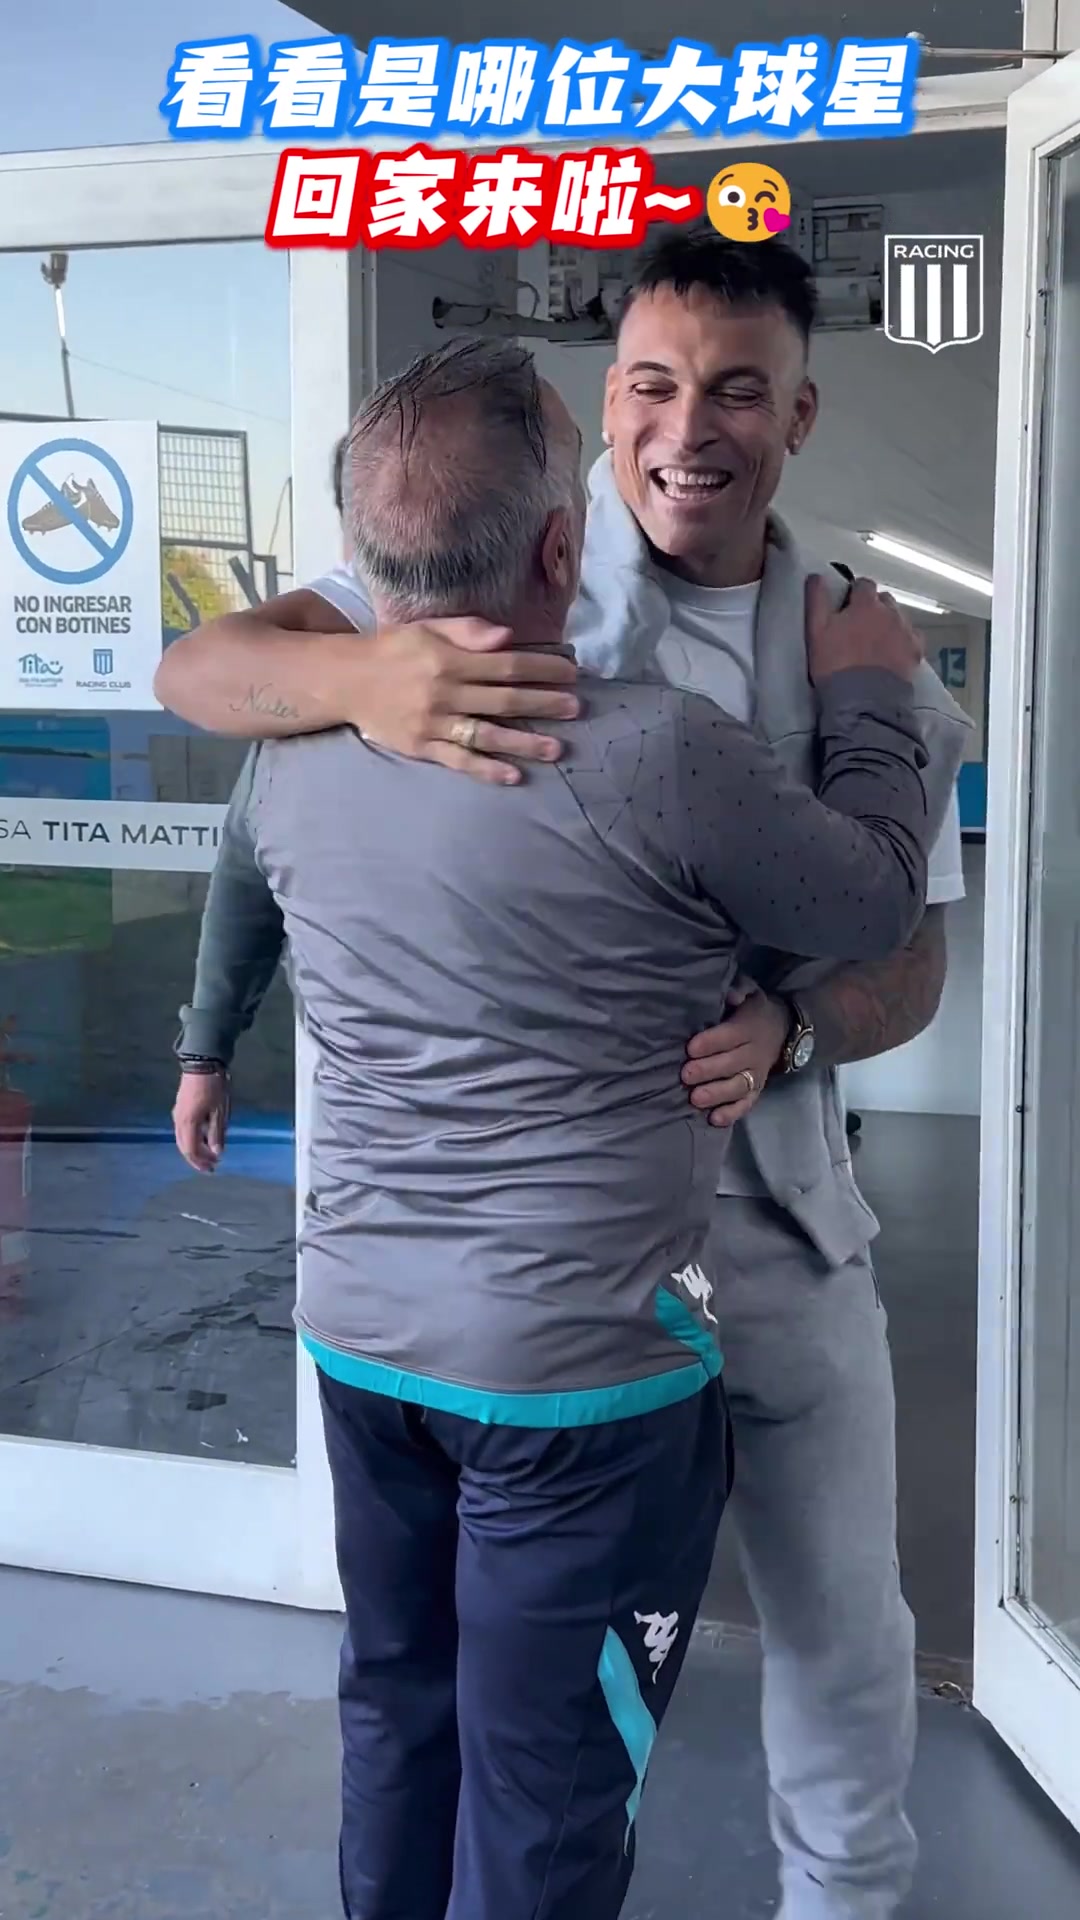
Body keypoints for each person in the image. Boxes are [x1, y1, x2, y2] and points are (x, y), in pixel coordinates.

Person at [156, 232, 972, 1920]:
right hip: (556, 1295)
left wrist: (796, 1030)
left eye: (738, 390)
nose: (691, 428)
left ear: (800, 414)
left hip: (778, 1232)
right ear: (604, 418)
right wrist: (362, 675)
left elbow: (907, 956)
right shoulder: (465, 583)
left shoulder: (860, 648)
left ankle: (847, 1900)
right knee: (519, 1728)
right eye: (655, 386)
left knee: (838, 1630)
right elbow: (199, 676)